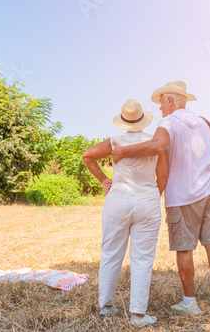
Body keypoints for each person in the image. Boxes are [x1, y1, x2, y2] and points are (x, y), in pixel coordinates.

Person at [111, 81, 210, 316]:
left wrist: (124, 151)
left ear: (169, 100)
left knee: (184, 249)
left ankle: (190, 303)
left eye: (160, 103)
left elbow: (157, 146)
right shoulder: (203, 122)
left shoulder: (169, 122)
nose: (159, 109)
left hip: (184, 194)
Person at [82, 99, 168, 327]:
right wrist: (150, 195)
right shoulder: (154, 141)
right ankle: (138, 316)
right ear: (143, 119)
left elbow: (87, 156)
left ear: (123, 121)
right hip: (147, 201)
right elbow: (164, 176)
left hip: (117, 201)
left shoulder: (114, 142)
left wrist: (104, 180)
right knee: (142, 259)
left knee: (110, 253)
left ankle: (105, 308)